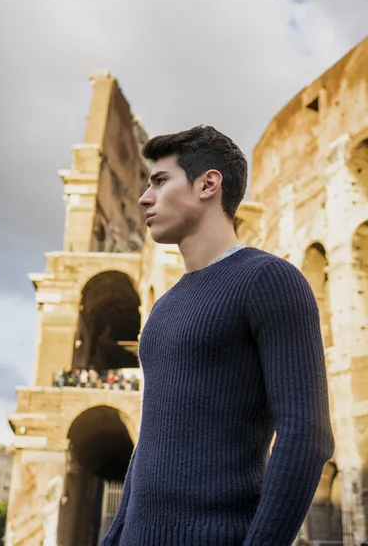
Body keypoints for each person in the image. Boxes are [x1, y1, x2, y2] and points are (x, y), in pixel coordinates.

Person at [101, 125, 334, 546]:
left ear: (208, 183)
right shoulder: (163, 308)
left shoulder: (269, 280)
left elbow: (305, 434)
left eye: (160, 181)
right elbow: (151, 442)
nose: (144, 198)